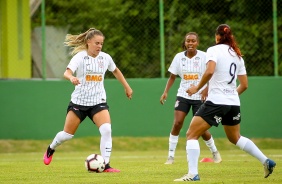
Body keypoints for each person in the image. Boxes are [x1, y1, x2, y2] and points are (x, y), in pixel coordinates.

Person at [174, 24, 276, 181]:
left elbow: (209, 71)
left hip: (217, 101)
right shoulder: (237, 55)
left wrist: (197, 88)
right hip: (233, 103)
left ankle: (193, 174)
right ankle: (266, 161)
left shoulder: (213, 50)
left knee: (191, 134)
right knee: (235, 138)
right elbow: (245, 85)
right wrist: (229, 95)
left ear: (217, 37)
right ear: (230, 37)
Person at [43, 28, 133, 173]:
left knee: (106, 130)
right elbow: (67, 72)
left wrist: (127, 87)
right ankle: (51, 148)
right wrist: (71, 77)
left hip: (98, 102)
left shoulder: (105, 58)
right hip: (79, 103)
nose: (99, 46)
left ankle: (106, 165)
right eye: (97, 43)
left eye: (101, 44)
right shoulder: (80, 57)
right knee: (67, 135)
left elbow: (115, 70)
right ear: (88, 42)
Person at [160, 32, 222, 165]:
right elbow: (172, 77)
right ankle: (170, 156)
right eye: (188, 41)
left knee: (201, 129)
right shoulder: (178, 57)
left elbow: (212, 74)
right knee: (177, 123)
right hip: (183, 95)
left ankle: (215, 152)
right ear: (185, 42)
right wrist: (165, 92)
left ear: (197, 43)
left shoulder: (204, 56)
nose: (190, 43)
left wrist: (205, 89)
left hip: (200, 96)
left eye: (193, 41)